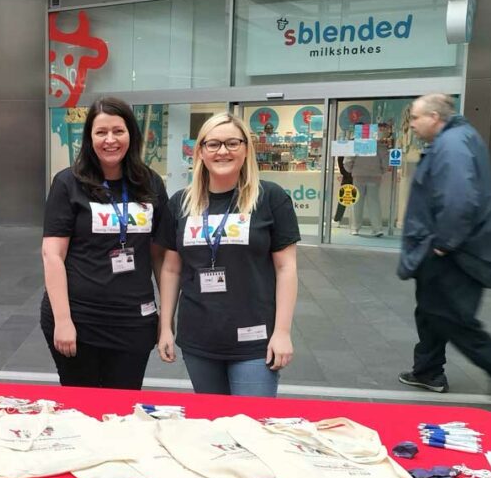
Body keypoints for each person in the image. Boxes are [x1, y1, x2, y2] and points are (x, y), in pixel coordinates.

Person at [156, 113, 300, 396]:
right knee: (213, 429)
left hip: (254, 337)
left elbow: (287, 269)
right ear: (200, 152)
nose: (223, 151)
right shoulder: (181, 204)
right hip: (199, 337)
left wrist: (282, 332)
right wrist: (165, 327)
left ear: (246, 149)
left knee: (250, 427)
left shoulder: (270, 198)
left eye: (232, 143)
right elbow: (171, 269)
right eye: (213, 144)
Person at [397, 93, 491, 395]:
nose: (411, 124)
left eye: (415, 118)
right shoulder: (457, 138)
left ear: (434, 117)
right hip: (456, 246)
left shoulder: (452, 144)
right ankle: (427, 371)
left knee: (446, 313)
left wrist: (444, 243)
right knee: (430, 309)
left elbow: (460, 198)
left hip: (455, 250)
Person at [41, 97, 169, 390]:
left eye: (118, 131)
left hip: (134, 320)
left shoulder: (151, 183)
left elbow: (161, 257)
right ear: (89, 138)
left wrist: (167, 318)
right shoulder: (68, 183)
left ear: (131, 135)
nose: (110, 140)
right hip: (79, 318)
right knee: (82, 409)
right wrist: (63, 321)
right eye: (101, 132)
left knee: (123, 408)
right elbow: (52, 255)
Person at [345, 124, 389, 237]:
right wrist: (382, 170)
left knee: (357, 202)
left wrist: (351, 170)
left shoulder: (356, 144)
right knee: (374, 202)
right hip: (375, 176)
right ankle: (377, 228)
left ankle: (355, 228)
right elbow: (385, 161)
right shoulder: (378, 145)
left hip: (358, 175)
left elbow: (348, 161)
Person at [332, 156, 352, 227]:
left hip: (348, 179)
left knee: (344, 200)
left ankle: (337, 220)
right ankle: (355, 223)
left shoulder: (342, 155)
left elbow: (342, 170)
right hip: (355, 177)